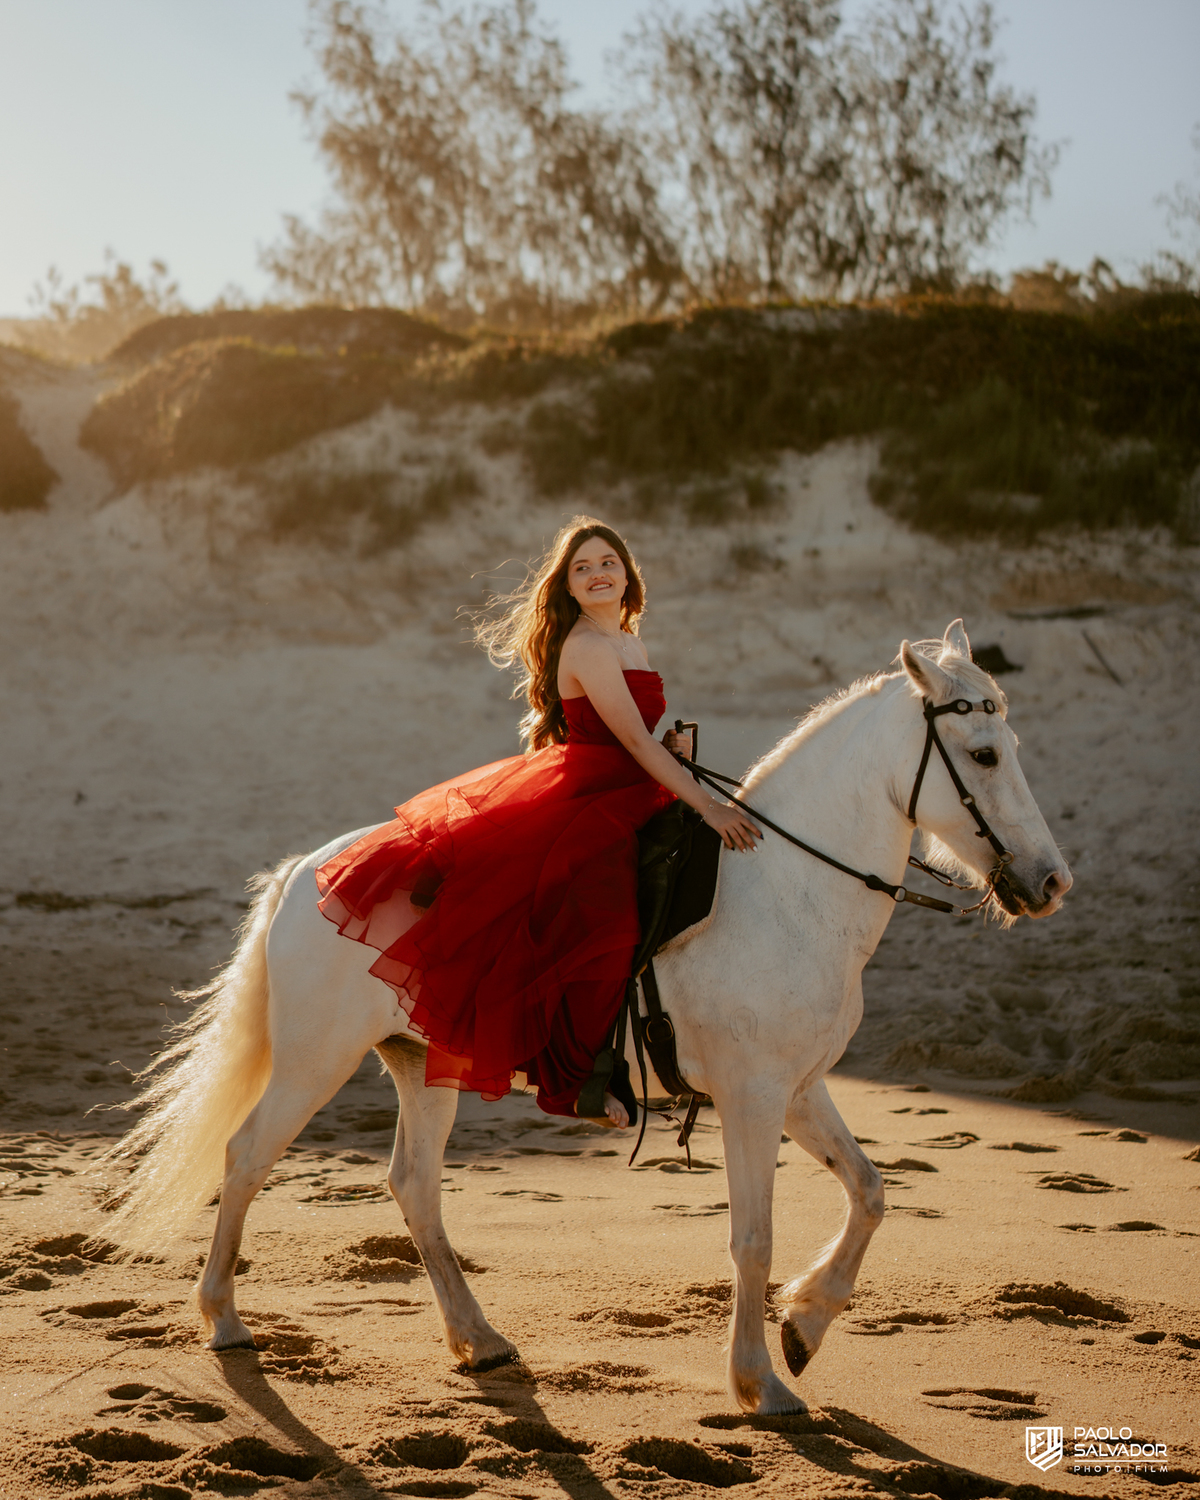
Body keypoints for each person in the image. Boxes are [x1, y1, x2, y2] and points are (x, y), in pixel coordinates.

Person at [315, 517, 761, 1127]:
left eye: (607, 562)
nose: (597, 574)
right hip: (590, 798)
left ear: (628, 574)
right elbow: (631, 738)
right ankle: (578, 1081)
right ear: (570, 588)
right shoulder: (587, 646)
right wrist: (708, 802)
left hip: (631, 785)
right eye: (583, 568)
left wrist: (673, 752)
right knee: (607, 919)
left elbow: (638, 737)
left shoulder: (628, 639)